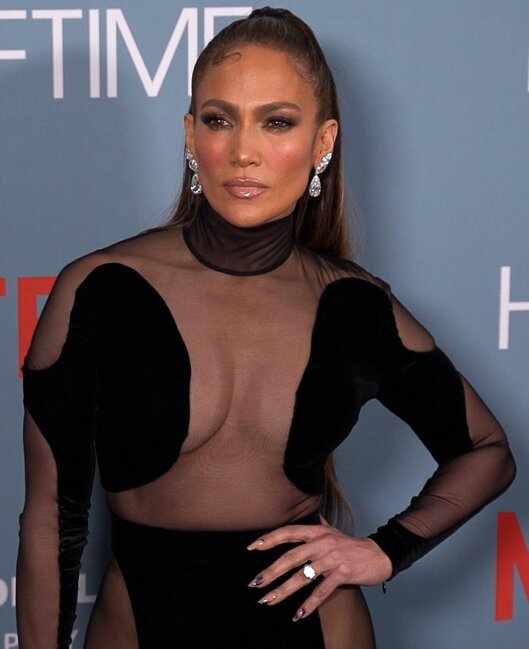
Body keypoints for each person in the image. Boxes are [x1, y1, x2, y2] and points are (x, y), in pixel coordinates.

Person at [16, 7, 515, 649]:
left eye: (276, 122)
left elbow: (487, 452)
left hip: (320, 630)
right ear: (191, 135)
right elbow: (51, 518)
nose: (243, 152)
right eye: (219, 120)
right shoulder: (100, 290)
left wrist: (386, 549)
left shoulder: (353, 305)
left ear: (323, 142)